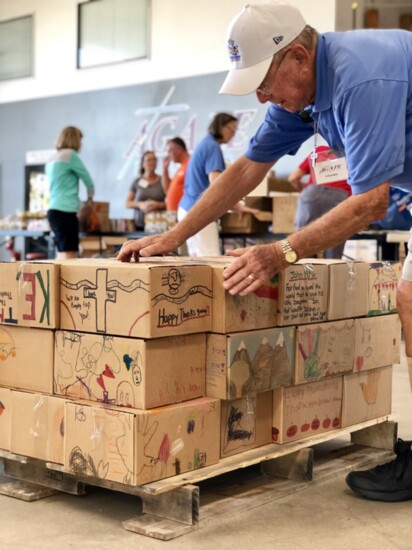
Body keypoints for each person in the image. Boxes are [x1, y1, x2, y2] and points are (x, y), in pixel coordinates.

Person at [118, 0, 412, 502]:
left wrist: (282, 253)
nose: (261, 94)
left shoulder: (360, 78)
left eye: (265, 81)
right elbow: (245, 170)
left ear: (298, 56)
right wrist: (173, 236)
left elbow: (370, 201)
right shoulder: (302, 96)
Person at [177, 112, 243, 256]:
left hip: (187, 208)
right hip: (200, 210)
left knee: (197, 262)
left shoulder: (205, 144)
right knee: (211, 260)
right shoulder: (213, 147)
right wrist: (236, 204)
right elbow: (216, 185)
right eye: (231, 129)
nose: (233, 134)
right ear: (220, 126)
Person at [288, 145, 352, 258]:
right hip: (339, 197)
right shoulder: (353, 153)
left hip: (312, 193)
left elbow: (293, 177)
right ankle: (331, 273)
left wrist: (306, 191)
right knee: (334, 246)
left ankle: (302, 273)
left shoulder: (319, 150)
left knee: (302, 242)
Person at [46, 126, 95, 260]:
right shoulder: (71, 155)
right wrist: (90, 198)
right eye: (79, 140)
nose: (80, 144)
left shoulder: (51, 158)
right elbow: (88, 180)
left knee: (61, 252)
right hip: (65, 211)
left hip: (53, 210)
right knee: (70, 254)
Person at [126, 151, 166, 230]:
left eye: (154, 159)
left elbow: (170, 203)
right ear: (143, 163)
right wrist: (141, 205)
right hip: (139, 225)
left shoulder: (163, 181)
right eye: (149, 160)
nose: (152, 162)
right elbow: (127, 203)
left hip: (159, 226)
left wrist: (157, 205)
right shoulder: (137, 181)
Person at [162, 137, 190, 212]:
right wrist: (165, 170)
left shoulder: (190, 164)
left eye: (169, 151)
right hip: (175, 214)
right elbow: (167, 189)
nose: (168, 155)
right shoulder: (181, 168)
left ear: (179, 149)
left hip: (185, 213)